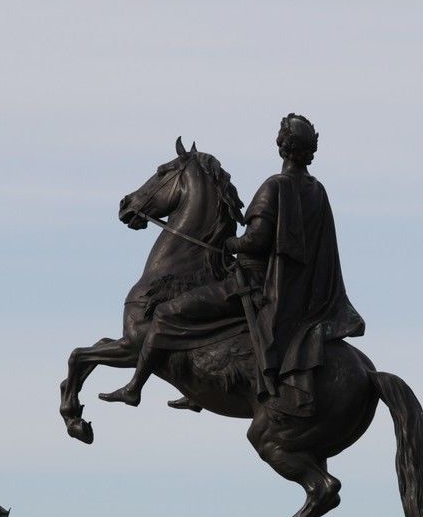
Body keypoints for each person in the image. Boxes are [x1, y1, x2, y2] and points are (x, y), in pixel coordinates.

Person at [100, 113, 364, 416]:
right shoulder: (317, 191)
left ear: (281, 146)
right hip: (294, 292)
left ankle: (134, 387)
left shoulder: (275, 187)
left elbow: (257, 241)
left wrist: (229, 244)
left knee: (165, 313)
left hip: (253, 283)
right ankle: (196, 391)